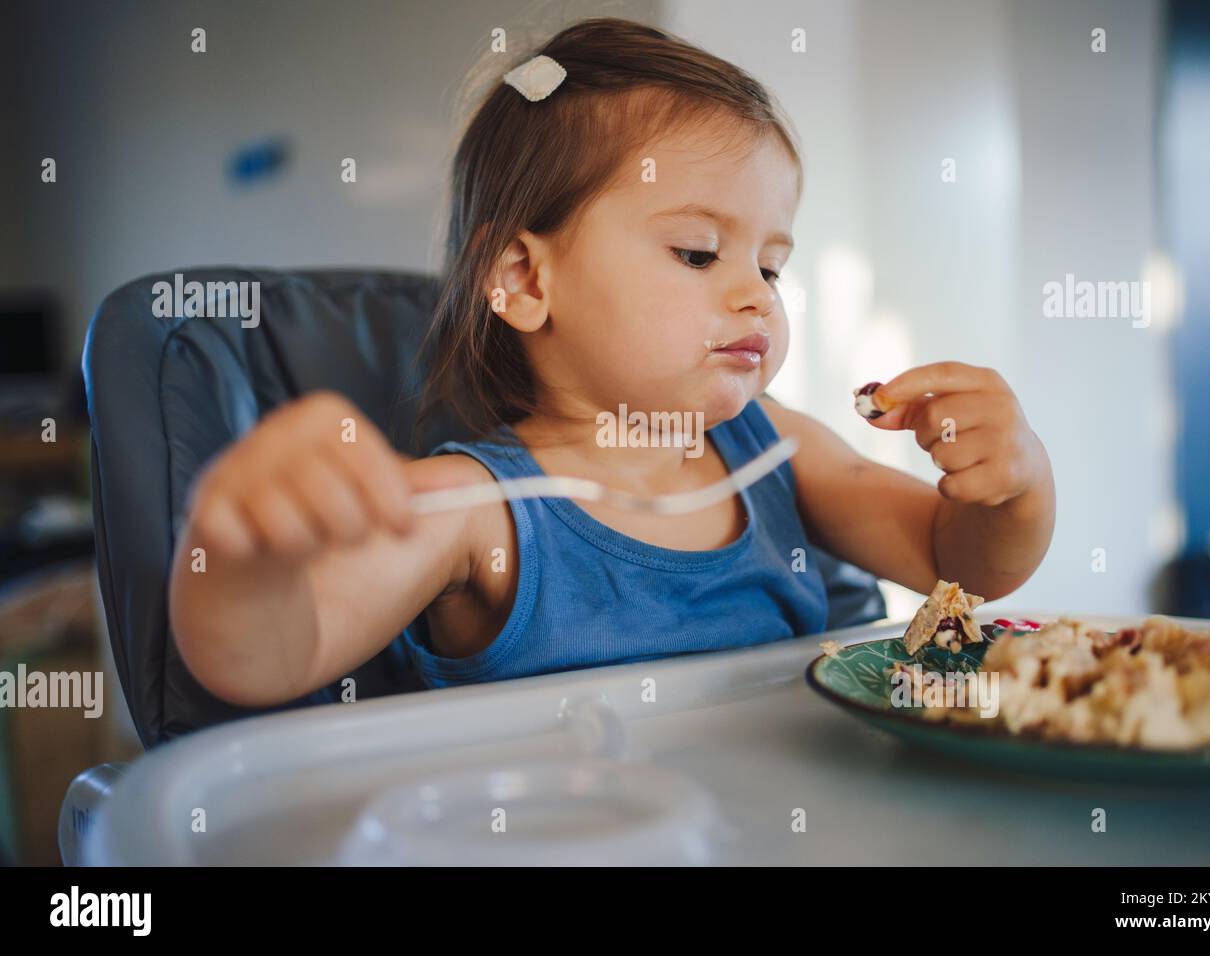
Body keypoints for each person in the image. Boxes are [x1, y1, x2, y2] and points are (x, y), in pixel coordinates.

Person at [168, 17, 1055, 707]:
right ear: (522, 279)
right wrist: (241, 551)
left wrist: (1012, 484)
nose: (757, 295)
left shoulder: (775, 450)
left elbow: (959, 562)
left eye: (772, 265)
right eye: (700, 253)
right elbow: (262, 661)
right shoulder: (480, 512)